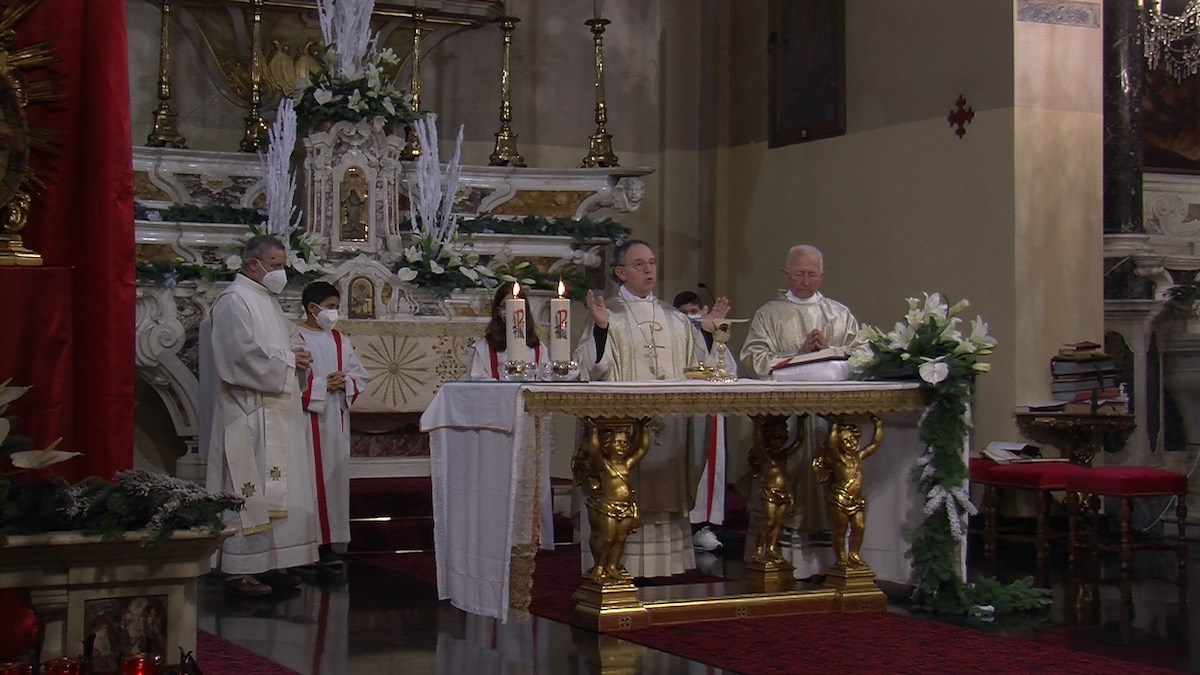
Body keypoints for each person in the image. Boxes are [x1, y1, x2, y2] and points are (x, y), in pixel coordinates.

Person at [573, 239, 730, 577]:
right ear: (620, 272)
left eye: (652, 263)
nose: (648, 270)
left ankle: (662, 567)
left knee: (663, 492)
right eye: (639, 264)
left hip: (669, 428)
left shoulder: (675, 319)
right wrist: (600, 330)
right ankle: (617, 563)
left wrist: (704, 333)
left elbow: (697, 368)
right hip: (625, 431)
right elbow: (592, 368)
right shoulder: (608, 314)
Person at [202, 234, 320, 598]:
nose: (280, 273)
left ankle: (269, 562)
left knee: (279, 489)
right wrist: (288, 361)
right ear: (252, 264)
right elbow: (238, 357)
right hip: (248, 411)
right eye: (276, 265)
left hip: (276, 410)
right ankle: (240, 568)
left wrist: (296, 355)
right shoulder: (234, 301)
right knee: (248, 490)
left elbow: (279, 347)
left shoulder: (265, 300)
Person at [738, 244, 859, 577]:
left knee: (827, 481)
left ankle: (829, 560)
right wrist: (799, 354)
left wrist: (830, 352)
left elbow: (862, 356)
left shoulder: (838, 313)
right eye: (800, 273)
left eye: (813, 274)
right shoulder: (769, 313)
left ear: (822, 275)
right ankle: (776, 552)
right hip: (785, 420)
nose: (806, 280)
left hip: (826, 421)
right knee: (784, 480)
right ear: (786, 274)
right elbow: (753, 358)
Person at [297, 281, 370, 570]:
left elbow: (358, 374)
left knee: (332, 482)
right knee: (308, 480)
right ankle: (305, 544)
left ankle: (329, 543)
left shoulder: (339, 339)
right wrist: (319, 386)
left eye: (336, 308)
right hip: (307, 420)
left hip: (335, 420)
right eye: (329, 308)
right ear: (312, 308)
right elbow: (286, 379)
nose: (333, 313)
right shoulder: (296, 338)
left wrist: (345, 382)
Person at [673, 290, 725, 554]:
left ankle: (701, 526)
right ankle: (681, 526)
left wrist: (709, 334)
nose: (690, 318)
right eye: (684, 314)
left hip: (707, 408)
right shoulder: (672, 336)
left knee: (706, 470)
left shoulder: (712, 335)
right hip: (679, 413)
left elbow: (724, 369)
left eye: (694, 312)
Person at [813, 415, 882, 569]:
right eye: (846, 441)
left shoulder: (858, 456)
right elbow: (831, 445)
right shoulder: (838, 459)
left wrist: (878, 426)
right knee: (840, 530)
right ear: (840, 444)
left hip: (856, 500)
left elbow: (874, 444)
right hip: (840, 499)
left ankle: (854, 554)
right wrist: (835, 426)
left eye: (853, 440)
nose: (851, 443)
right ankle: (841, 557)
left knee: (859, 527)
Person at [465, 282, 550, 380]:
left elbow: (545, 379)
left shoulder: (538, 348)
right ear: (498, 311)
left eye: (517, 308)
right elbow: (477, 380)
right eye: (506, 306)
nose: (512, 312)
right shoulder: (484, 348)